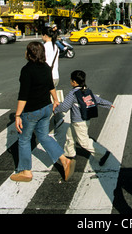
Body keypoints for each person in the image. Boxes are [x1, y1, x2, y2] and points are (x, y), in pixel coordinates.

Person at [10, 41, 75, 182]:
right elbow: (51, 85)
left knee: (24, 139)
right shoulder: (46, 67)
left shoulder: (27, 70)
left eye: (27, 50)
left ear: (30, 53)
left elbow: (23, 95)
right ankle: (64, 160)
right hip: (46, 107)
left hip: (31, 111)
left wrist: (17, 115)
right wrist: (56, 100)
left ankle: (26, 171)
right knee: (44, 136)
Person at [53, 70, 113, 165]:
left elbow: (65, 106)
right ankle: (69, 154)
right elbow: (96, 99)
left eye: (71, 80)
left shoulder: (73, 93)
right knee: (70, 136)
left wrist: (55, 110)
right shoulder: (86, 90)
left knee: (84, 142)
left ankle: (103, 154)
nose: (70, 82)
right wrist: (108, 104)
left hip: (78, 122)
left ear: (74, 82)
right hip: (84, 120)